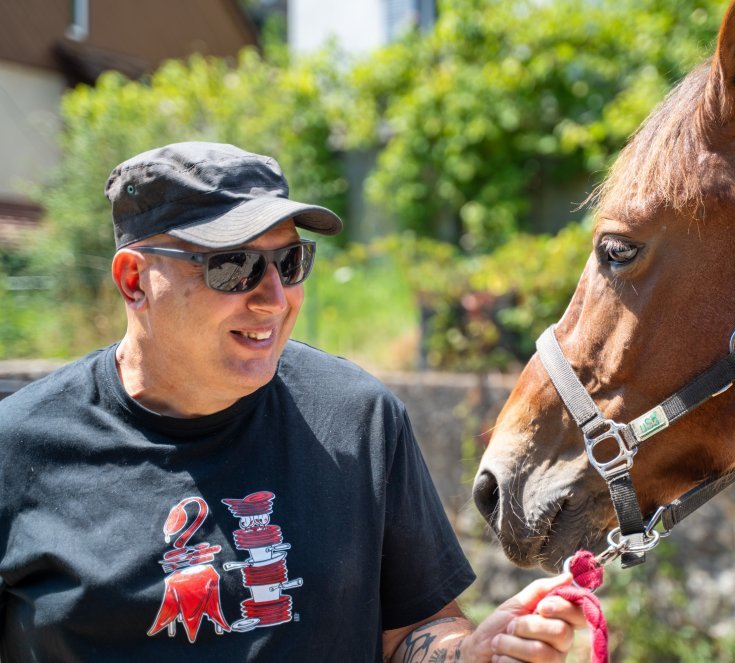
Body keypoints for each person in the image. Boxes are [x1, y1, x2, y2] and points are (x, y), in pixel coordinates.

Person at [0, 142, 586, 661]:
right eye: (233, 266)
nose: (274, 298)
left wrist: (475, 652)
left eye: (289, 261)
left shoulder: (357, 419)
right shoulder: (20, 447)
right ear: (134, 280)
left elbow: (411, 631)